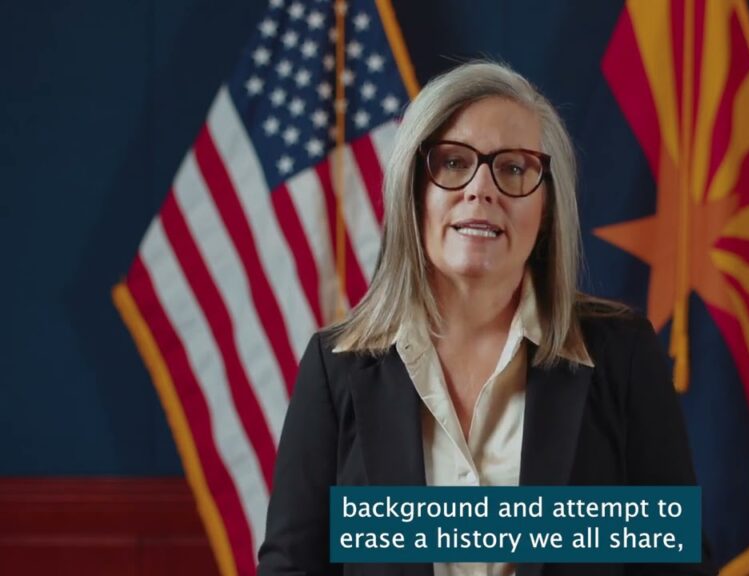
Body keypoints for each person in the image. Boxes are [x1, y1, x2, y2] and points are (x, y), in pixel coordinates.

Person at [257, 61, 715, 576]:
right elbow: (292, 568)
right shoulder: (335, 366)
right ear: (414, 193)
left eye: (514, 168)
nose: (481, 189)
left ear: (546, 210)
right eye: (453, 163)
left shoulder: (621, 355)